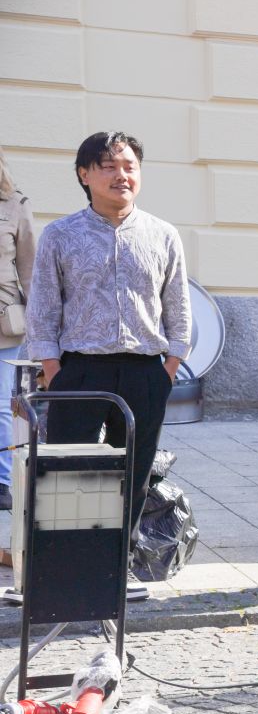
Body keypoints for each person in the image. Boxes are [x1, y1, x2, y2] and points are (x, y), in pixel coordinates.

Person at [27, 131, 191, 602]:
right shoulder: (60, 235)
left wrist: (170, 365)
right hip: (80, 371)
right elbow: (43, 307)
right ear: (85, 175)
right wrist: (53, 369)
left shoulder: (163, 234)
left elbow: (178, 306)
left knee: (134, 474)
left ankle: (118, 569)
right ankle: (69, 572)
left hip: (145, 371)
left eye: (129, 166)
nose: (122, 175)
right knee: (72, 474)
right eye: (109, 166)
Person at [0, 146, 37, 512]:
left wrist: (41, 325)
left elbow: (30, 270)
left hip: (2, 320)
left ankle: (2, 481)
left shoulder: (15, 205)